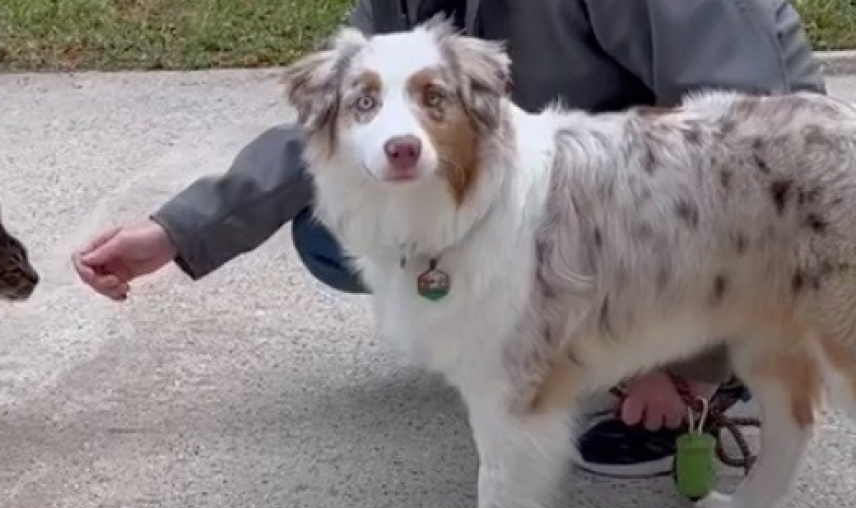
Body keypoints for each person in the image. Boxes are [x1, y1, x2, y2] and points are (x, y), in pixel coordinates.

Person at [71, 0, 827, 478]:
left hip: (741, 183)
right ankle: (528, 340)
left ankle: (707, 372)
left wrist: (659, 350)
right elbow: (338, 117)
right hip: (551, 184)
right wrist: (175, 231)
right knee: (337, 228)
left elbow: (741, 144)